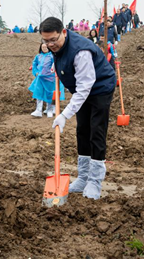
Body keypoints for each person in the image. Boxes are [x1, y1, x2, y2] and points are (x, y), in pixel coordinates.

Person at [39, 17, 116, 200]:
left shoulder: (81, 51)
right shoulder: (58, 46)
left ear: (64, 32)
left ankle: (95, 180)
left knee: (96, 131)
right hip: (83, 89)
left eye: (53, 40)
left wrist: (65, 115)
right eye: (46, 41)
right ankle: (83, 177)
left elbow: (85, 88)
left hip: (100, 87)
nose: (50, 44)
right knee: (82, 130)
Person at [28, 43, 65, 118]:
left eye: (45, 47)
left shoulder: (52, 56)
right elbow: (34, 65)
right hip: (40, 78)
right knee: (39, 93)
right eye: (43, 47)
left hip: (50, 79)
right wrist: (36, 72)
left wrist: (51, 74)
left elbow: (54, 66)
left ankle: (49, 110)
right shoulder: (38, 56)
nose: (44, 48)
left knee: (49, 94)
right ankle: (38, 110)